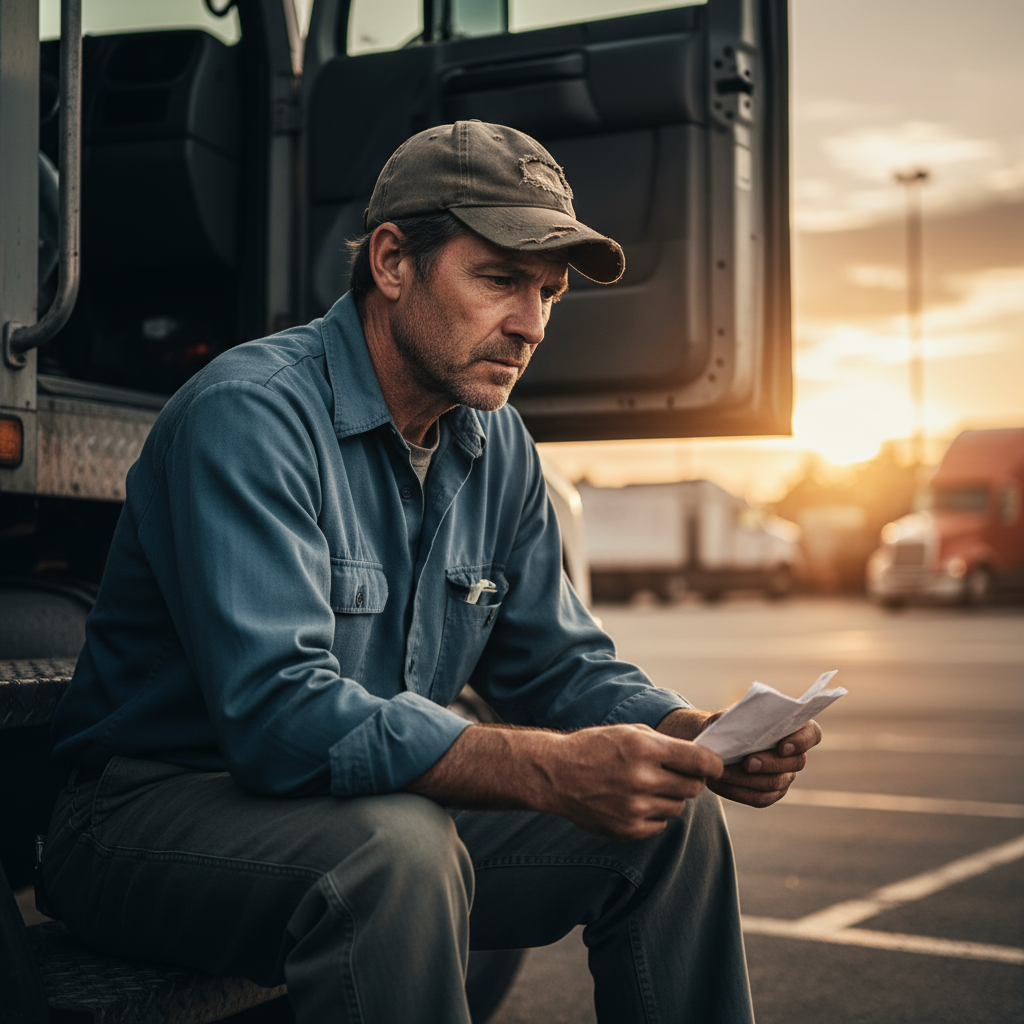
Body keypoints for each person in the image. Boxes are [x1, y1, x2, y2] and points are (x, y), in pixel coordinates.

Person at [45, 121, 821, 1023]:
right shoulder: (249, 414)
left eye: (548, 293)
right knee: (399, 850)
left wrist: (691, 734)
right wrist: (548, 770)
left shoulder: (500, 446)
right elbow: (277, 715)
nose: (531, 326)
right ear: (391, 263)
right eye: (499, 280)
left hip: (360, 809)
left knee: (670, 822)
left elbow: (556, 665)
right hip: (147, 820)